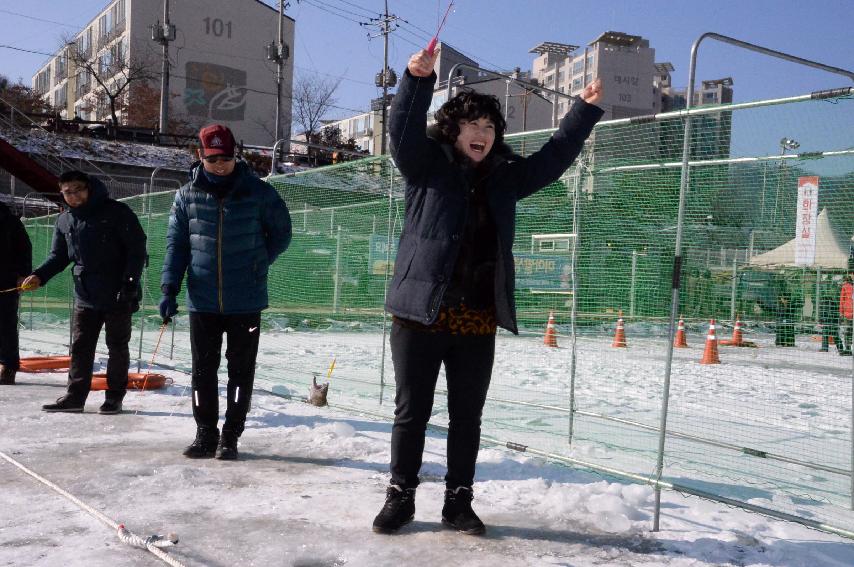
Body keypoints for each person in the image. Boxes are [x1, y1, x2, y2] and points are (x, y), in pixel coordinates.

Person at [372, 48, 603, 536]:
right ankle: (401, 496)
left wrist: (581, 112)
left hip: (476, 319)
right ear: (453, 131)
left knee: (466, 417)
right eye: (473, 124)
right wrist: (416, 80)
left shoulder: (505, 179)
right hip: (420, 314)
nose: (482, 134)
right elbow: (401, 131)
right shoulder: (425, 167)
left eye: (491, 127)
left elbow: (553, 158)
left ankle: (458, 501)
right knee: (411, 412)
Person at [160, 124, 292, 461]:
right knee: (203, 370)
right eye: (213, 158)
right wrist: (169, 288)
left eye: (227, 158)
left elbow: (281, 233)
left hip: (245, 301)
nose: (221, 165)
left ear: (237, 156)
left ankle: (231, 435)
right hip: (202, 300)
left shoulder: (259, 192)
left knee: (240, 370)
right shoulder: (186, 196)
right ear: (200, 156)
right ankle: (205, 433)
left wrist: (258, 263)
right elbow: (177, 246)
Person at [22, 171, 147, 413]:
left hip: (118, 293)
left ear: (89, 188)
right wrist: (40, 275)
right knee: (80, 347)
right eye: (67, 192)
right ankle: (75, 397)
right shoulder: (65, 220)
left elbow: (136, 249)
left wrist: (130, 283)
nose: (73, 195)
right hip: (85, 295)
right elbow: (59, 257)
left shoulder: (116, 212)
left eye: (78, 189)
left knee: (117, 346)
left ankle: (114, 397)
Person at [0, 201, 32, 385]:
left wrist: (23, 275)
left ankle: (8, 367)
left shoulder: (10, 221)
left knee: (6, 325)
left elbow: (24, 249)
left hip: (6, 282)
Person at [818, 276, 841, 353]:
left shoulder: (823, 303)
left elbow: (822, 312)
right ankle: (840, 348)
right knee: (834, 334)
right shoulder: (833, 302)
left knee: (826, 333)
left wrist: (820, 321)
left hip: (827, 320)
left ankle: (825, 348)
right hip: (833, 320)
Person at [839, 273, 853, 356]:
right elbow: (842, 299)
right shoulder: (846, 286)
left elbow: (842, 299)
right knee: (848, 330)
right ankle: (848, 348)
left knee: (848, 330)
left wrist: (841, 311)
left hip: (849, 311)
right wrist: (841, 311)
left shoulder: (846, 286)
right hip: (848, 312)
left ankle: (848, 349)